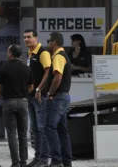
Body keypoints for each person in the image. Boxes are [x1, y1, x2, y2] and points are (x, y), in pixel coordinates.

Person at [0, 44, 34, 167]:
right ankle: (23, 162)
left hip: (9, 101)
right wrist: (23, 95)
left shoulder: (3, 68)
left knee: (11, 133)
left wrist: (3, 96)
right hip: (23, 102)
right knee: (23, 133)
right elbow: (31, 87)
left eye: (8, 52)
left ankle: (15, 162)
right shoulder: (27, 69)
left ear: (11, 54)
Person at [45, 32, 72, 167]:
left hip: (58, 97)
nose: (48, 43)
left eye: (49, 40)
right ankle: (67, 161)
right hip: (64, 96)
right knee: (62, 130)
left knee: (49, 127)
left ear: (54, 42)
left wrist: (50, 92)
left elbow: (58, 77)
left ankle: (56, 160)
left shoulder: (58, 57)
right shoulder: (63, 55)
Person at [24, 29, 51, 167]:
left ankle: (44, 159)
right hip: (30, 97)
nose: (26, 39)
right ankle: (38, 156)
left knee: (41, 128)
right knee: (34, 128)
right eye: (25, 37)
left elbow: (48, 71)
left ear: (36, 38)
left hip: (40, 96)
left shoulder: (43, 52)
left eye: (29, 37)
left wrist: (39, 89)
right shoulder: (29, 54)